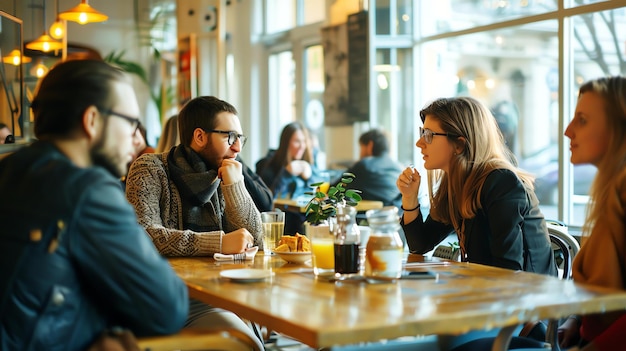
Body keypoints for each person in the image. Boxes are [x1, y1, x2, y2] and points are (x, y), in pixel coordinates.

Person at [0, 59, 188, 350]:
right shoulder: (88, 190)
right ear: (92, 121)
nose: (137, 138)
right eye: (131, 123)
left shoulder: (9, 169)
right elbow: (167, 309)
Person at [125, 95, 264, 350]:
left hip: (224, 292)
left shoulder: (222, 173)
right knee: (244, 345)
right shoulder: (150, 168)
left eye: (240, 139)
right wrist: (219, 242)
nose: (238, 148)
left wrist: (236, 186)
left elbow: (258, 239)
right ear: (200, 136)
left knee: (252, 341)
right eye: (230, 137)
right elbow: (143, 236)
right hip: (169, 297)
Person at [397, 96, 556, 274]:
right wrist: (409, 197)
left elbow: (508, 271)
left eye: (429, 135)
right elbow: (420, 245)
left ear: (459, 144)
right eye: (422, 133)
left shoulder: (502, 183)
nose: (419, 143)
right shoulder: (458, 182)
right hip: (491, 291)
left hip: (531, 296)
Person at [559, 76, 626, 351]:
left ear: (619, 128)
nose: (568, 131)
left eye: (582, 120)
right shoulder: (609, 192)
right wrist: (575, 320)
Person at [256, 121, 322, 234]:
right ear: (286, 143)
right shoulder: (269, 165)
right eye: (297, 141)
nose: (302, 146)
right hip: (283, 223)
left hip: (307, 219)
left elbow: (319, 191)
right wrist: (286, 174)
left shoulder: (309, 164)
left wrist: (309, 176)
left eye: (304, 141)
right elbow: (267, 200)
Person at [338, 128, 403, 208]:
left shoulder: (365, 165)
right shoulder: (400, 168)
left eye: (361, 147)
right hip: (393, 215)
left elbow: (335, 189)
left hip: (369, 217)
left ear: (370, 145)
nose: (360, 153)